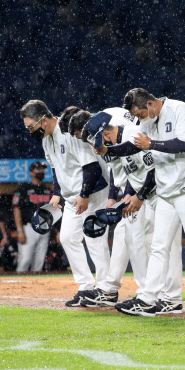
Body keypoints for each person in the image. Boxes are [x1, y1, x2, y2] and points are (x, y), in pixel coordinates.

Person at [97, 89, 185, 317]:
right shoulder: (146, 120)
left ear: (150, 103)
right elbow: (136, 145)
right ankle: (150, 299)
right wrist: (110, 150)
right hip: (167, 190)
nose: (139, 118)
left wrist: (152, 144)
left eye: (140, 113)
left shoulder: (178, 109)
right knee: (159, 246)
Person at [19, 102, 110, 306]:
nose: (30, 131)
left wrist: (85, 194)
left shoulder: (70, 129)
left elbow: (92, 166)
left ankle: (105, 289)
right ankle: (86, 286)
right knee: (68, 238)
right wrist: (57, 194)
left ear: (43, 119)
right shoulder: (46, 139)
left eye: (31, 126)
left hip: (93, 192)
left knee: (94, 239)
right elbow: (55, 168)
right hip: (71, 196)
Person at [13, 161, 52, 272]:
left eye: (42, 169)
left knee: (39, 262)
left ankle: (35, 287)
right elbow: (16, 209)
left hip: (44, 227)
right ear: (31, 172)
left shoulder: (47, 189)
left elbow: (53, 210)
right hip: (29, 227)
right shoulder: (23, 188)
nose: (41, 171)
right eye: (38, 169)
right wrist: (19, 230)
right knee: (25, 259)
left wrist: (55, 229)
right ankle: (17, 286)